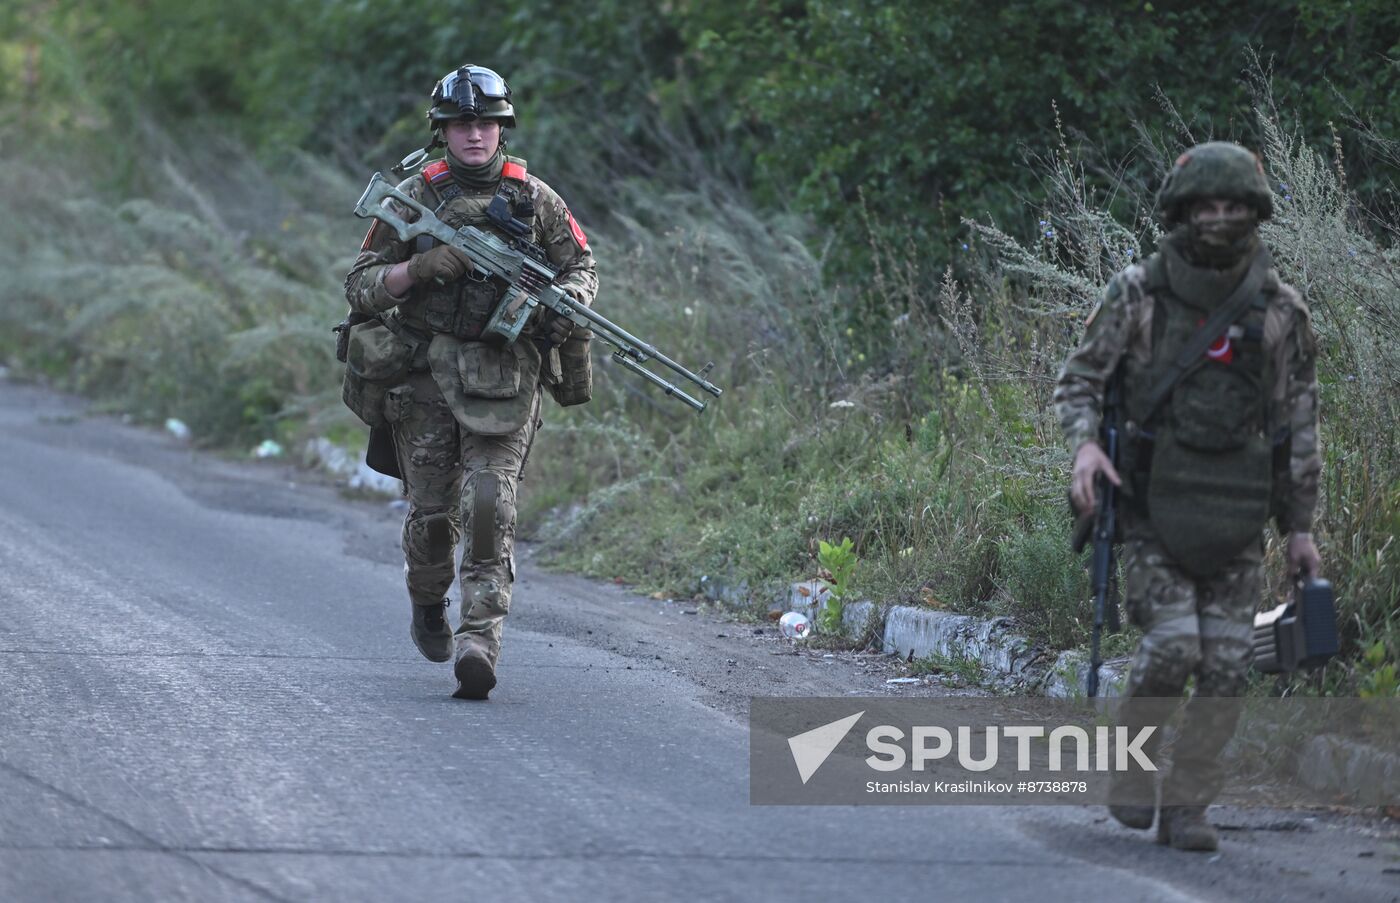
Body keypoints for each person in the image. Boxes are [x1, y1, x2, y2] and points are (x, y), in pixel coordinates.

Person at [1054, 141, 1321, 851]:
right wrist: (1085, 443)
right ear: (1181, 210)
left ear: (1255, 211)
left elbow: (1297, 422)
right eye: (1207, 205)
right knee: (1172, 646)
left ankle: (1188, 803)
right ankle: (1133, 772)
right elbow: (1078, 380)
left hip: (1236, 514)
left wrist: (1300, 529)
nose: (1221, 218)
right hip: (1148, 507)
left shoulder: (1279, 311)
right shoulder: (1139, 293)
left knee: (1230, 664)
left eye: (1234, 205)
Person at [342, 64, 597, 699]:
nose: (475, 134)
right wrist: (422, 267)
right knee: (433, 519)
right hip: (423, 375)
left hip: (502, 377)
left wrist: (557, 301)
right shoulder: (412, 198)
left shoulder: (536, 199)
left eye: (485, 122)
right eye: (462, 124)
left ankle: (479, 639)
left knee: (489, 507)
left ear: (502, 127)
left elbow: (583, 270)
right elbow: (361, 286)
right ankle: (427, 602)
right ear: (443, 132)